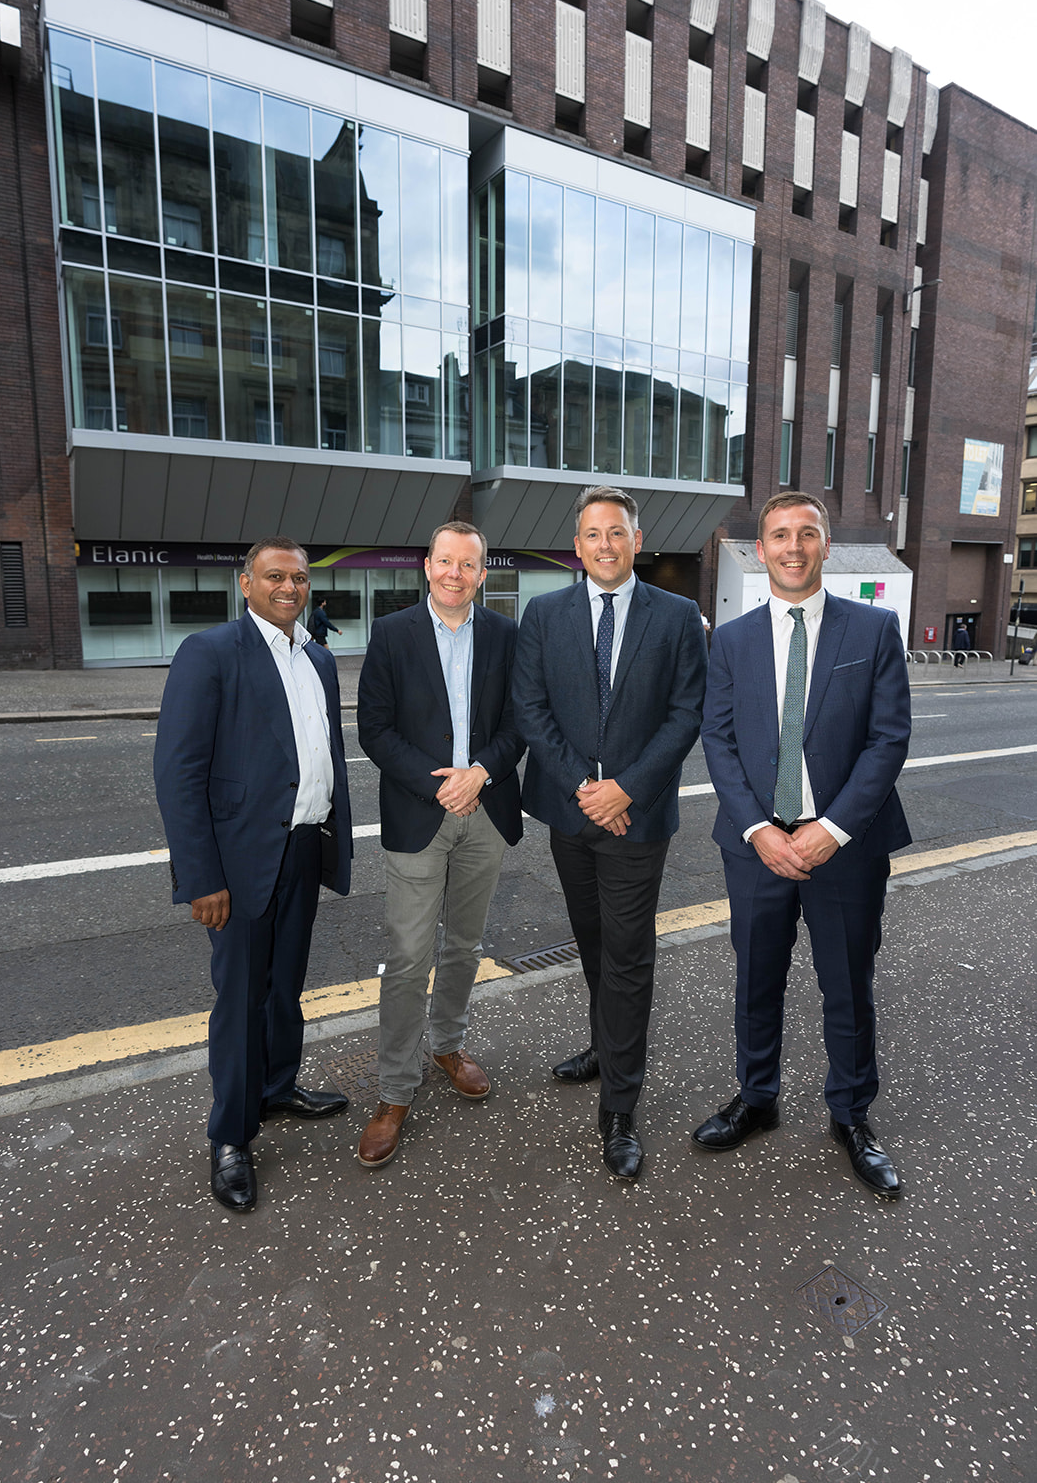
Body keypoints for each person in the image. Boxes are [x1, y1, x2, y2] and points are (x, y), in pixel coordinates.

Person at [694, 491, 911, 1199]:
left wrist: (830, 830)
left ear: (824, 546)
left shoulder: (874, 630)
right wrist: (760, 829)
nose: (792, 546)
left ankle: (850, 1116)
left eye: (806, 534)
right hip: (755, 845)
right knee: (755, 981)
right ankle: (756, 1099)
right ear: (760, 550)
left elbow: (887, 740)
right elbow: (718, 742)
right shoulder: (729, 640)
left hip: (844, 847)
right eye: (778, 535)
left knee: (846, 987)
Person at [512, 485, 707, 1180]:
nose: (604, 545)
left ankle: (619, 1108)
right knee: (592, 940)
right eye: (592, 534)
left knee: (627, 955)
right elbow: (530, 710)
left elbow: (686, 713)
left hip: (638, 817)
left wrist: (625, 788)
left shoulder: (677, 615)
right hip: (571, 812)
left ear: (635, 539)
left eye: (616, 533)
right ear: (577, 544)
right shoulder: (542, 613)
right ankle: (606, 1044)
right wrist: (585, 790)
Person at [154, 536, 353, 1213]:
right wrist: (200, 876)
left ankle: (277, 1087)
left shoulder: (318, 660)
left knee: (285, 988)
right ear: (246, 584)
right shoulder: (209, 654)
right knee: (239, 1000)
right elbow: (179, 775)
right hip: (237, 865)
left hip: (302, 850)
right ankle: (232, 1136)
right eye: (274, 576)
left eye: (298, 577)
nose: (289, 587)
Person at [356, 521, 524, 1168]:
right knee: (406, 958)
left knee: (464, 945)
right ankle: (394, 1091)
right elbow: (375, 729)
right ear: (427, 566)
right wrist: (441, 787)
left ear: (483, 573)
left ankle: (447, 1045)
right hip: (419, 813)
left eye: (468, 564)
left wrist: (479, 771)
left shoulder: (507, 637)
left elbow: (519, 722)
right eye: (445, 561)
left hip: (486, 810)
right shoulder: (391, 635)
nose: (455, 574)